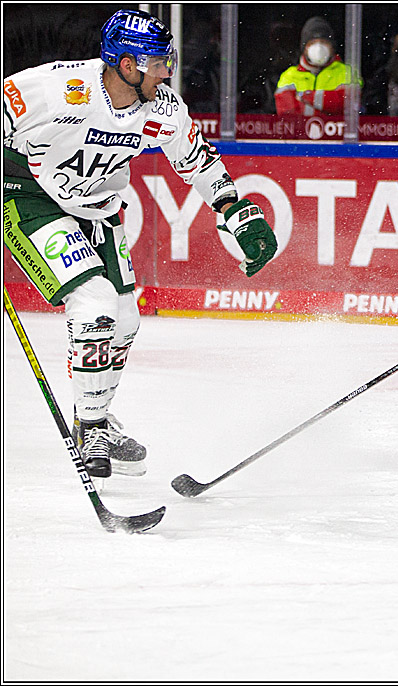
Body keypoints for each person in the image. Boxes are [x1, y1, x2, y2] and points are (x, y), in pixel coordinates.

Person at [2, 9, 278, 479]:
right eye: (157, 63)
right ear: (126, 65)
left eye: (167, 62)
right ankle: (91, 428)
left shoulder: (162, 109)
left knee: (125, 318)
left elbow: (196, 159)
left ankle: (95, 418)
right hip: (28, 195)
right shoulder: (57, 89)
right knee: (95, 301)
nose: (166, 72)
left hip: (98, 207)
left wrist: (233, 207)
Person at [275, 16, 360, 116]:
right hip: (308, 128)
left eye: (323, 42)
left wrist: (305, 97)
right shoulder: (289, 75)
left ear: (332, 47)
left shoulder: (347, 72)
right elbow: (286, 111)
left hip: (337, 127)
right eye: (312, 43)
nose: (319, 48)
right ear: (304, 48)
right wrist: (327, 109)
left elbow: (347, 105)